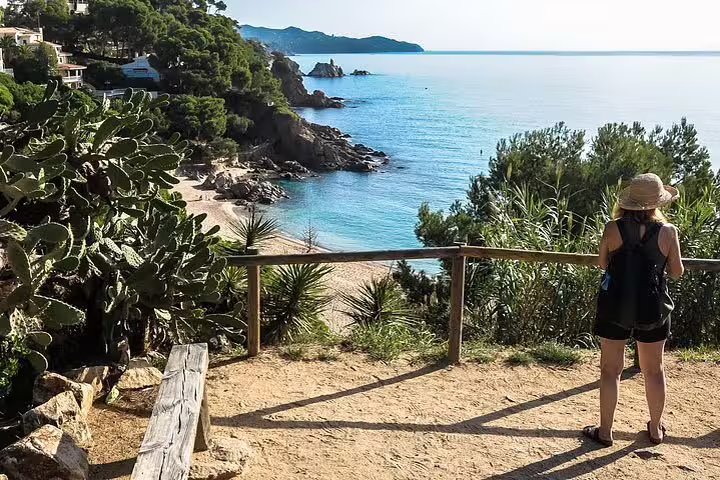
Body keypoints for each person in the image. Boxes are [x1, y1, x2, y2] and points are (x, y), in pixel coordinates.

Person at [583, 173, 684, 447]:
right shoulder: (668, 232)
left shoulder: (611, 228)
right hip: (653, 307)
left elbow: (603, 264)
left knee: (610, 370)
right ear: (657, 203)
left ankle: (605, 432)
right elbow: (676, 272)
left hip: (615, 305)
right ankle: (655, 429)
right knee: (654, 370)